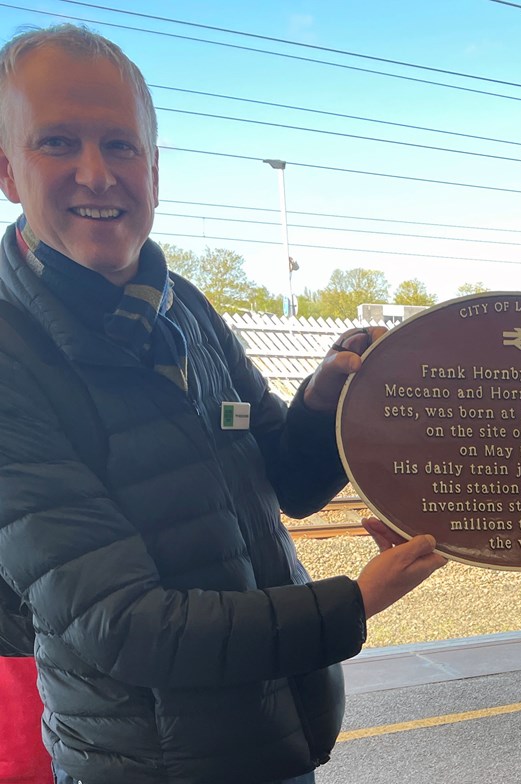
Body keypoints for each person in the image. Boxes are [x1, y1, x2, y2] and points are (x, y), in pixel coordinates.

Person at [0, 24, 446, 784]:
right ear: (8, 172)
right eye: (58, 143)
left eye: (120, 145)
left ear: (155, 168)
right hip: (146, 764)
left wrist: (325, 400)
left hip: (266, 737)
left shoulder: (182, 308)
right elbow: (122, 626)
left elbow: (290, 481)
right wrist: (353, 604)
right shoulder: (13, 357)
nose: (97, 174)